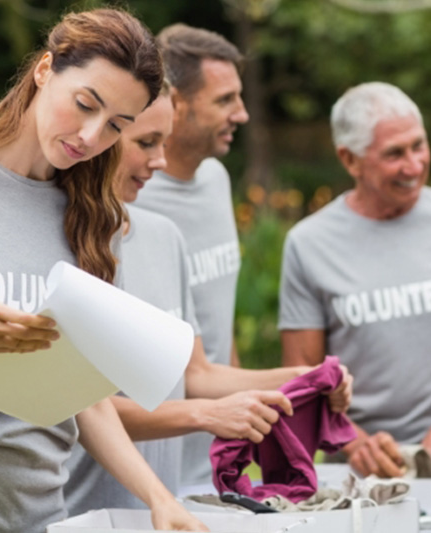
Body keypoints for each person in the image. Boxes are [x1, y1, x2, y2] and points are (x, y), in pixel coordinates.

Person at [0, 9, 206, 532]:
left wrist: (160, 499)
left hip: (40, 515)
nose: (92, 136)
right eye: (85, 105)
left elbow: (85, 396)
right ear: (45, 69)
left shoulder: (88, 217)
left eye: (117, 126)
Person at [64, 81, 352, 515]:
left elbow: (195, 375)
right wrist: (202, 415)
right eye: (146, 142)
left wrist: (302, 378)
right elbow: (78, 406)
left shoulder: (164, 238)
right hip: (83, 513)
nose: (160, 160)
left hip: (163, 510)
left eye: (163, 142)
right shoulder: (60, 248)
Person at [279, 81, 431, 477]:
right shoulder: (309, 244)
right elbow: (301, 373)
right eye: (394, 154)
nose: (413, 166)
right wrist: (353, 441)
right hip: (360, 471)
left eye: (418, 146)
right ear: (350, 159)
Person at [132, 23, 250, 487]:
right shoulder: (132, 194)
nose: (241, 114)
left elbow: (219, 323)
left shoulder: (217, 179)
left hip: (217, 454)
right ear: (175, 103)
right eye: (224, 100)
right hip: (151, 464)